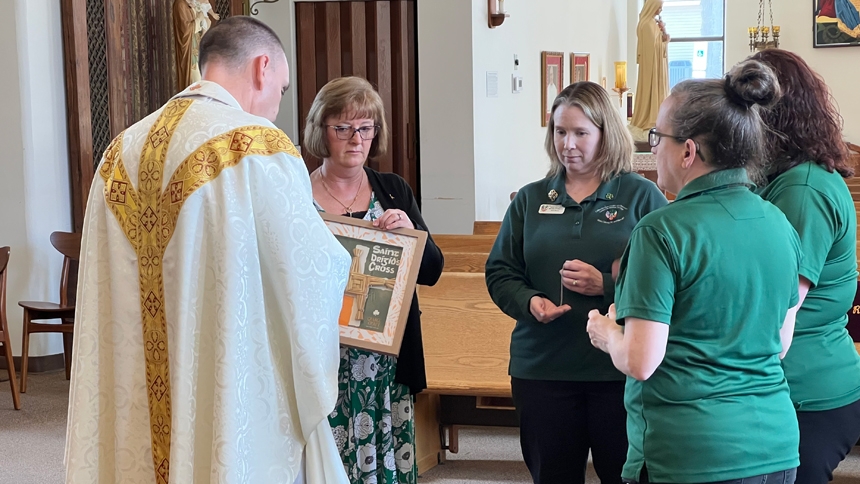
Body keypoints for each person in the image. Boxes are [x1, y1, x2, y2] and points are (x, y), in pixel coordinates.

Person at [65, 16, 351, 484]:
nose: (276, 106)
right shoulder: (256, 146)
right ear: (262, 69)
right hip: (222, 380)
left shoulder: (119, 152)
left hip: (135, 387)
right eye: (280, 90)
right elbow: (309, 272)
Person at [586, 59, 802, 484]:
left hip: (690, 453)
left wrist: (607, 331)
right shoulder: (778, 222)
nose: (652, 149)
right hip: (774, 447)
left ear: (688, 151)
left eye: (657, 137)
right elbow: (778, 343)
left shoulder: (661, 230)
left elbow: (641, 361)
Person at [485, 81, 667, 484]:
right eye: (560, 131)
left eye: (581, 133)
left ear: (606, 134)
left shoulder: (642, 196)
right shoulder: (530, 199)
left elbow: (668, 278)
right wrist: (530, 301)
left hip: (617, 369)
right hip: (543, 368)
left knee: (625, 477)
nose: (568, 144)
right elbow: (500, 271)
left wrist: (605, 284)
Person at [302, 76, 444, 483]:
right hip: (321, 356)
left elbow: (432, 269)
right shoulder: (298, 194)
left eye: (365, 128)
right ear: (321, 132)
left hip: (384, 364)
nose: (355, 139)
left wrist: (409, 234)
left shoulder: (393, 190)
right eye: (342, 128)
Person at [752, 48, 860, 484]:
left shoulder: (803, 189)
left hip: (806, 392)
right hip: (793, 386)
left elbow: (781, 309)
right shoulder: (786, 177)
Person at [630, 0, 669, 135]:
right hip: (652, 66)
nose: (660, 10)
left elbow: (657, 44)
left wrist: (663, 33)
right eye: (659, 7)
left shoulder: (651, 23)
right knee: (650, 88)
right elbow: (652, 49)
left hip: (657, 65)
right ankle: (649, 117)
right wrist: (665, 41)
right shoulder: (646, 25)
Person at [173, 0, 219, 89]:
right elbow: (185, 30)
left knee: (201, 77)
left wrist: (202, 19)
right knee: (195, 78)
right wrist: (199, 19)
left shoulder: (190, 3)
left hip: (197, 44)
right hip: (189, 48)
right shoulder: (180, 4)